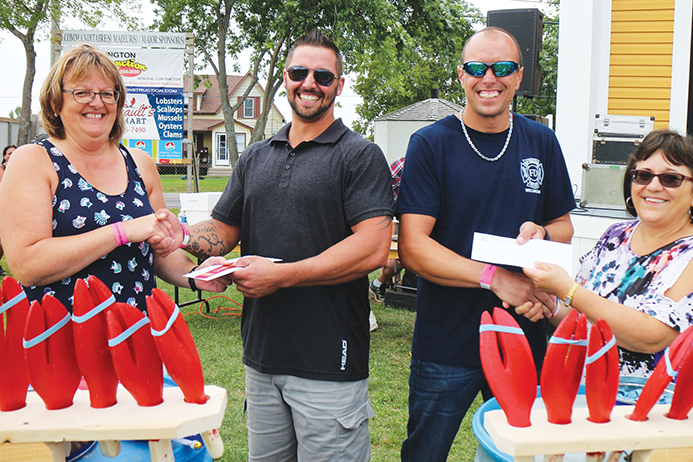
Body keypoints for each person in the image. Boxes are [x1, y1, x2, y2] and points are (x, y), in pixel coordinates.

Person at [166, 31, 393, 461]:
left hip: (330, 360)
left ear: (338, 86)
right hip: (263, 355)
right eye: (299, 72)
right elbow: (223, 229)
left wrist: (282, 277)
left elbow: (372, 249)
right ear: (286, 78)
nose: (310, 83)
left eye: (323, 75)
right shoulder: (256, 156)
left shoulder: (359, 156)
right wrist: (177, 235)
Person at [395, 27, 576, 461]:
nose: (488, 78)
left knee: (524, 452)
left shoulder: (541, 141)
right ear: (461, 75)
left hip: (523, 333)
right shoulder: (431, 144)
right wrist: (495, 279)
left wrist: (544, 234)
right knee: (425, 454)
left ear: (519, 76)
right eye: (477, 68)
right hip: (447, 340)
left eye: (502, 68)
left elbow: (563, 225)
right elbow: (415, 248)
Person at [0, 44, 227, 314]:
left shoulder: (139, 162)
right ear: (54, 102)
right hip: (62, 339)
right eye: (82, 92)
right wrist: (122, 232)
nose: (97, 102)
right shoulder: (33, 161)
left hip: (135, 334)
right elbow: (27, 266)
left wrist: (196, 274)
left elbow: (159, 254)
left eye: (108, 93)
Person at [523, 129, 693, 378]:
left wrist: (567, 290)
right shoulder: (616, 235)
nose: (654, 186)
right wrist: (550, 303)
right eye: (643, 176)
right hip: (587, 397)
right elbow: (581, 316)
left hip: (654, 407)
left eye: (671, 178)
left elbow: (652, 337)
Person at [369, 156, 405, 302]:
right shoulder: (405, 165)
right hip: (387, 214)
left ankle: (390, 282)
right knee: (395, 260)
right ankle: (378, 283)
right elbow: (380, 191)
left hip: (402, 215)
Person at [0, 144, 16, 274]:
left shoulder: (20, 170)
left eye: (14, 153)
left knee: (5, 240)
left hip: (13, 208)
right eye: (9, 153)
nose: (11, 156)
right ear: (4, 156)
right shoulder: (1, 170)